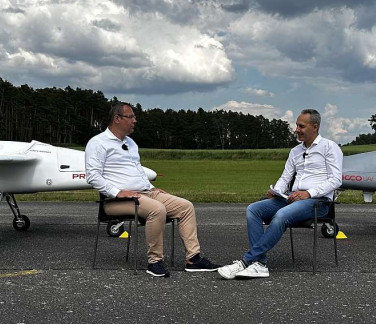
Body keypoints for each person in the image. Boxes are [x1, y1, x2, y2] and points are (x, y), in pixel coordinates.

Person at [85, 103, 219, 277]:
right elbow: (93, 176)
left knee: (186, 207)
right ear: (117, 119)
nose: (135, 120)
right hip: (116, 201)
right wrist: (118, 192)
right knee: (157, 209)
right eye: (131, 117)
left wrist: (152, 188)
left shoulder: (130, 143)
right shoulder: (97, 143)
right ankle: (154, 261)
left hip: (144, 193)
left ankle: (193, 259)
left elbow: (137, 171)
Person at [218, 109, 342, 279]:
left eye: (301, 126)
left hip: (317, 202)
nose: (297, 130)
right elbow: (285, 177)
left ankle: (247, 261)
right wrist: (276, 191)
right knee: (253, 209)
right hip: (291, 198)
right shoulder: (295, 151)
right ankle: (259, 264)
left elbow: (336, 180)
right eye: (296, 125)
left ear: (315, 127)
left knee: (281, 214)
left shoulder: (330, 147)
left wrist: (308, 193)